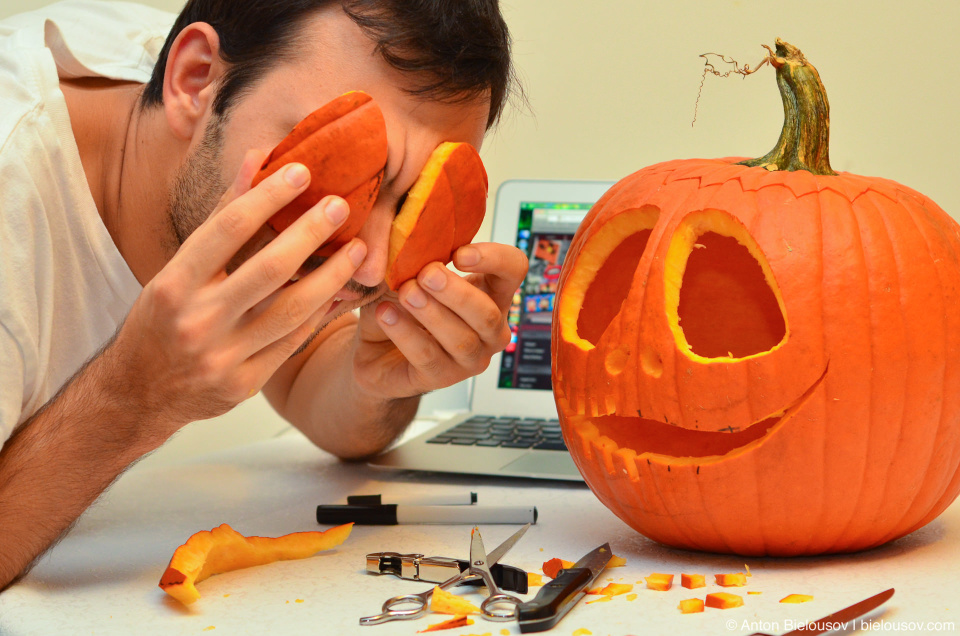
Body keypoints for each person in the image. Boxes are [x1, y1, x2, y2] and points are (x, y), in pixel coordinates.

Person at [0, 0, 527, 590]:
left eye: (408, 202)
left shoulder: (240, 88)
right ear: (193, 80)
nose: (371, 264)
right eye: (344, 169)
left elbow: (310, 383)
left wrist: (377, 378)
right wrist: (133, 398)